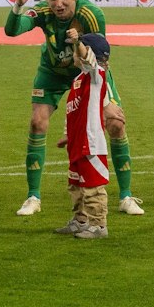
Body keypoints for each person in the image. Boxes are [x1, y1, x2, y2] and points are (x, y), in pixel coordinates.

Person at [5, 0, 142, 217]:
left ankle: (126, 196)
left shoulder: (91, 14)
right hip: (52, 72)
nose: (58, 4)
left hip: (87, 70)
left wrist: (106, 102)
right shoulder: (43, 11)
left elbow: (100, 60)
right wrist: (18, 4)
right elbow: (12, 31)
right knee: (37, 122)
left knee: (116, 124)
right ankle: (33, 197)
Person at [60, 31, 115, 239]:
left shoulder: (96, 76)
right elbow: (73, 112)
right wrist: (67, 135)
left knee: (92, 186)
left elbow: (89, 60)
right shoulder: (78, 79)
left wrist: (77, 42)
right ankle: (80, 220)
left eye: (75, 50)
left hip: (91, 143)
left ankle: (99, 225)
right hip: (76, 143)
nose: (73, 53)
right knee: (76, 185)